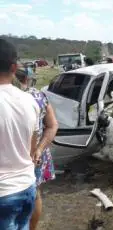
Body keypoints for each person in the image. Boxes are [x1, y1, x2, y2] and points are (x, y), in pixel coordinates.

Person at [0, 39, 40, 229]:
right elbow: (32, 148)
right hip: (27, 187)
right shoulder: (29, 100)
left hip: (3, 194)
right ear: (14, 67)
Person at [15, 68, 58, 230]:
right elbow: (52, 125)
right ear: (26, 79)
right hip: (36, 156)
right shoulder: (38, 96)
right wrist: (39, 148)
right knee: (34, 194)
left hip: (12, 156)